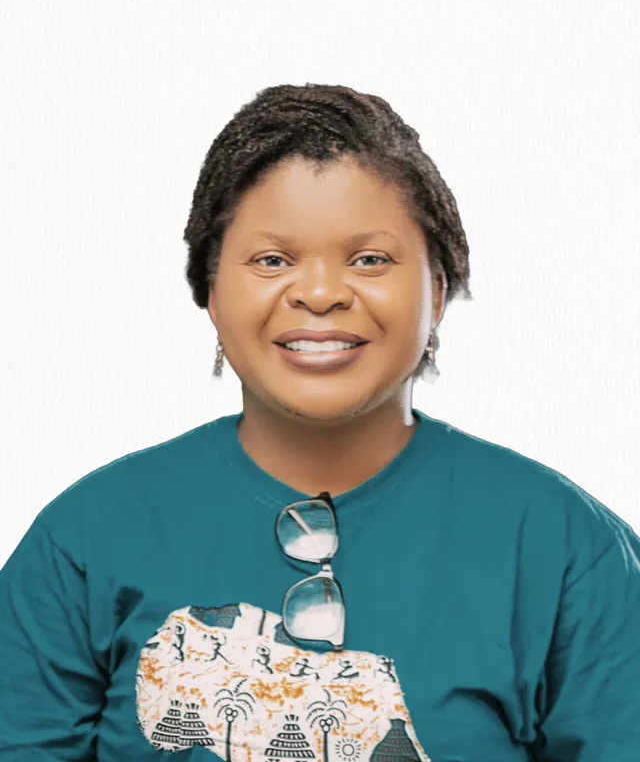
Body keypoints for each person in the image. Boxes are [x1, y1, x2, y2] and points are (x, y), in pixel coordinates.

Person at [0, 83, 638, 762]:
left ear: (439, 288)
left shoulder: (568, 550)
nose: (321, 293)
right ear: (210, 290)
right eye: (272, 260)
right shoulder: (85, 539)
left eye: (370, 259)